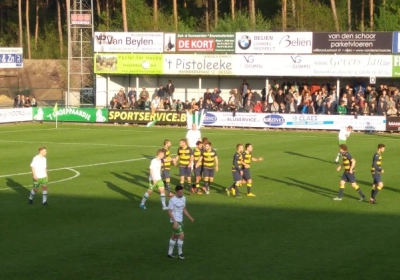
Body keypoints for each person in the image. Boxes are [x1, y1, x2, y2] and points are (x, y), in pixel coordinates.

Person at [167, 185, 194, 260]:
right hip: (176, 221)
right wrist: (174, 222)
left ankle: (170, 253)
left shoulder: (183, 198)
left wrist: (190, 217)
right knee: (182, 236)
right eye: (180, 192)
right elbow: (169, 212)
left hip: (180, 220)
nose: (181, 194)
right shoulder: (172, 200)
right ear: (176, 192)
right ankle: (180, 253)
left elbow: (184, 209)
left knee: (174, 236)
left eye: (182, 192)